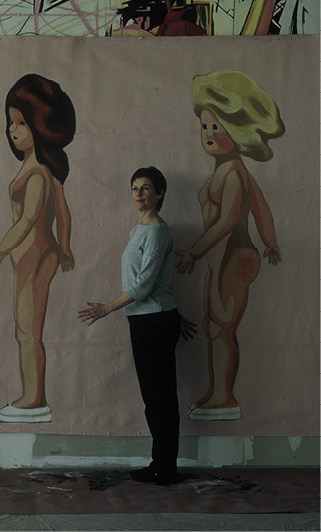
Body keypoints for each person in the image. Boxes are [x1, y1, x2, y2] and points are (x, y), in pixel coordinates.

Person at [176, 70, 284, 421]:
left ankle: (224, 399)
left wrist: (194, 251)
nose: (208, 135)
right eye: (204, 127)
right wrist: (270, 241)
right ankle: (216, 392)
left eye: (216, 128)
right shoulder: (225, 170)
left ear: (235, 132)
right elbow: (262, 206)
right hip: (220, 258)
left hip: (234, 256)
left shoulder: (234, 173)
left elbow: (227, 222)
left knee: (221, 326)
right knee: (213, 326)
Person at [78, 166, 194, 486]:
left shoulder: (157, 231)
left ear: (159, 194)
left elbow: (143, 287)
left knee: (161, 399)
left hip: (153, 322)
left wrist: (105, 308)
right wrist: (174, 313)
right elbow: (160, 283)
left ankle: (165, 468)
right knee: (154, 398)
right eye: (134, 188)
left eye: (145, 188)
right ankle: (160, 464)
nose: (138, 193)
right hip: (150, 320)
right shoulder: (137, 231)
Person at [0, 74, 75, 423]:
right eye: (11, 123)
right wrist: (64, 247)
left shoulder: (37, 175)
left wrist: (1, 250)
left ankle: (33, 399)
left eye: (21, 122)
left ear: (40, 126)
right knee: (26, 330)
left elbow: (27, 220)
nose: (13, 130)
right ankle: (32, 396)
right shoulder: (47, 173)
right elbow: (63, 213)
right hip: (40, 254)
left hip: (33, 256)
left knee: (27, 331)